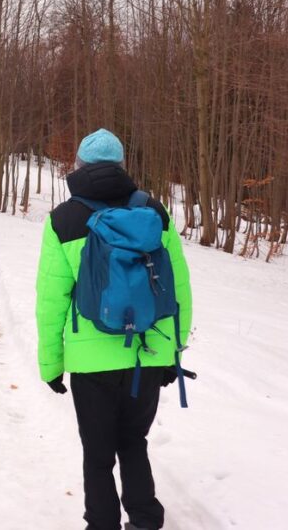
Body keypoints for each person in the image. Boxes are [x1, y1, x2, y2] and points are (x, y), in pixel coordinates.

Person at [36, 129, 193, 530]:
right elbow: (179, 290)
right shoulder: (154, 213)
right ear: (122, 165)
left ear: (79, 166)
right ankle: (144, 520)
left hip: (92, 361)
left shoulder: (63, 220)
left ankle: (101, 523)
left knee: (98, 452)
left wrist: (51, 365)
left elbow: (51, 302)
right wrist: (172, 352)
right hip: (148, 352)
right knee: (133, 443)